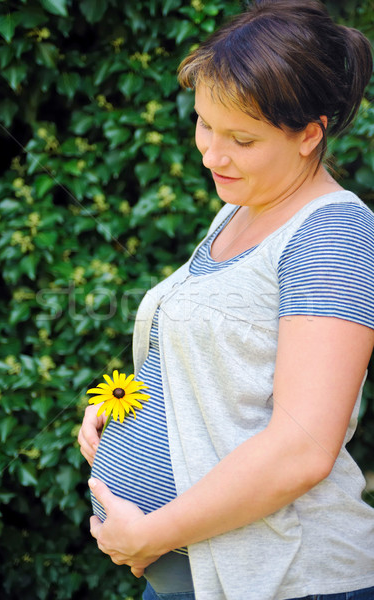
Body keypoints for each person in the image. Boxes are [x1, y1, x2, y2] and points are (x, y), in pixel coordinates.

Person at [78, 1, 374, 598]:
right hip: (188, 569)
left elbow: (303, 447)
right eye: (203, 124)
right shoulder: (239, 209)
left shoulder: (333, 234)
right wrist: (133, 406)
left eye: (240, 138)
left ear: (310, 134)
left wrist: (152, 530)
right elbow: (221, 364)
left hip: (284, 579)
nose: (211, 154)